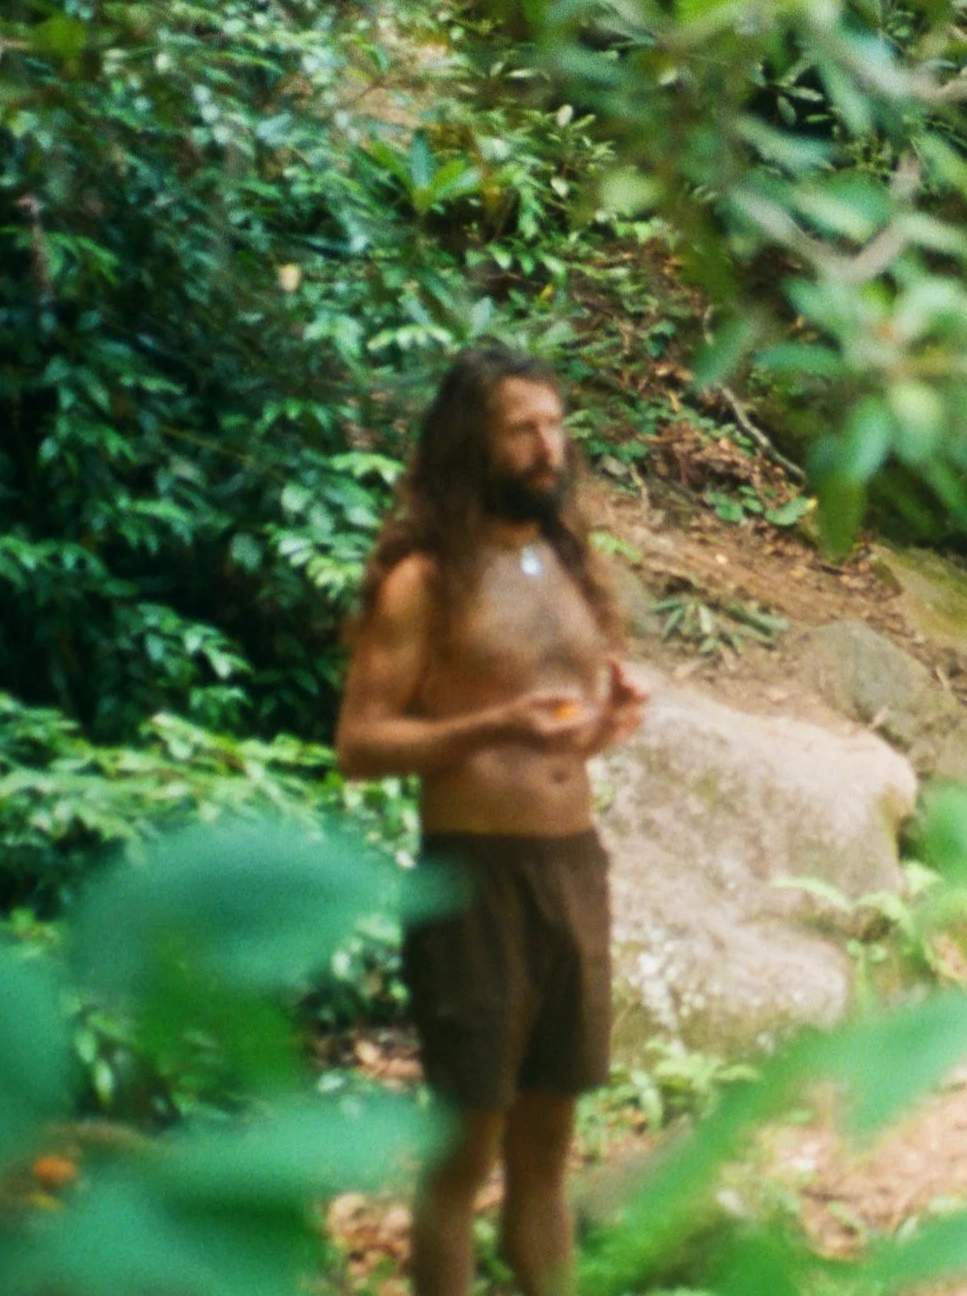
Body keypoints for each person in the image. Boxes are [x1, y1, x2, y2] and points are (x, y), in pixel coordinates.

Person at [336, 342, 647, 1296]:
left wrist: (605, 725)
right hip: (471, 881)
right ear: (476, 441)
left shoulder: (565, 563)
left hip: (572, 871)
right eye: (524, 429)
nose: (548, 446)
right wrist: (489, 727)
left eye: (555, 425)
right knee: (463, 1154)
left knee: (548, 1152)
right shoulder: (422, 580)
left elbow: (559, 740)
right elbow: (360, 743)